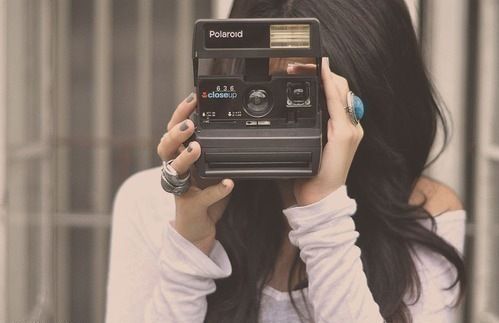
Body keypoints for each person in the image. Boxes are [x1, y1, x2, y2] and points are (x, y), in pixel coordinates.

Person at [105, 0, 466, 322]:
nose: (269, 112)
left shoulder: (422, 212)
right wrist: (190, 248)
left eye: (302, 96)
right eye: (259, 94)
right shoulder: (152, 203)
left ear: (359, 107)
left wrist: (324, 218)